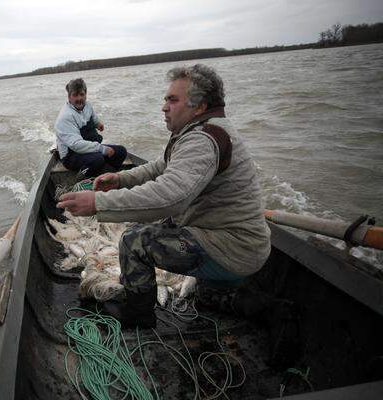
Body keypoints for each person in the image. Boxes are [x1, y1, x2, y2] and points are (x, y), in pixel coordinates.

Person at [58, 64, 298, 368]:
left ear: (198, 104)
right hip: (241, 246)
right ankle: (273, 310)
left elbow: (171, 196)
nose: (164, 106)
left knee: (134, 242)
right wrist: (121, 180)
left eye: (172, 99)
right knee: (203, 294)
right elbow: (161, 167)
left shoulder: (202, 139)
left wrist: (98, 204)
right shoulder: (199, 131)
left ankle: (139, 315)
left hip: (233, 249)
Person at [54, 78, 127, 178]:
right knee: (97, 159)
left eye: (82, 94)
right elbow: (76, 145)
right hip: (70, 155)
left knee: (121, 151)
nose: (79, 98)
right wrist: (102, 149)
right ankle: (81, 179)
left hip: (86, 145)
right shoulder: (65, 117)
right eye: (75, 95)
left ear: (86, 94)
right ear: (69, 97)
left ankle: (107, 178)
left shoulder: (87, 105)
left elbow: (92, 116)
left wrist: (98, 123)